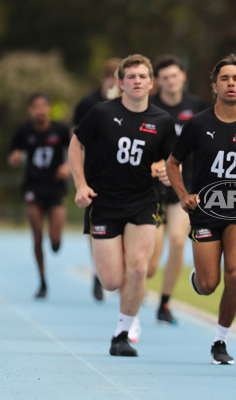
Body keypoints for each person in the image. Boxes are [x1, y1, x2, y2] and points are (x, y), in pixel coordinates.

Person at [69, 54, 176, 357]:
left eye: (142, 76)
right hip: (104, 203)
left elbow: (169, 160)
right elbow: (76, 144)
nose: (137, 81)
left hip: (143, 201)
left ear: (151, 83)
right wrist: (80, 185)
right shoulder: (101, 113)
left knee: (139, 268)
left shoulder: (162, 121)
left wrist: (165, 171)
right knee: (113, 280)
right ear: (120, 84)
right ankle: (126, 313)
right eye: (131, 77)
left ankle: (122, 333)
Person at [167, 53, 236, 365]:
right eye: (224, 78)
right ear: (214, 85)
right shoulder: (197, 124)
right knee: (210, 285)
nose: (230, 83)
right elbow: (173, 164)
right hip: (205, 211)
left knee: (235, 274)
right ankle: (199, 277)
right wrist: (184, 194)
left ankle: (220, 341)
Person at [148, 54, 205, 325]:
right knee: (149, 263)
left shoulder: (196, 106)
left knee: (179, 240)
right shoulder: (149, 107)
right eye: (164, 78)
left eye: (174, 75)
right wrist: (156, 166)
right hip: (153, 186)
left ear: (183, 76)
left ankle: (165, 303)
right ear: (157, 82)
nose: (170, 81)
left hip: (185, 184)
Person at [8, 93, 70, 299]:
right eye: (35, 107)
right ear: (30, 110)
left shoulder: (59, 130)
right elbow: (12, 156)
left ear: (49, 108)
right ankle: (43, 280)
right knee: (37, 235)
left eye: (43, 106)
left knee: (55, 239)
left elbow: (75, 151)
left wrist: (67, 165)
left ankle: (55, 240)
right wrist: (15, 158)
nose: (39, 110)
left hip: (55, 187)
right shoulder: (23, 131)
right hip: (33, 187)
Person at [72, 57, 121, 302]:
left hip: (124, 177)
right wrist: (79, 178)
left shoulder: (131, 104)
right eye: (112, 78)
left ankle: (121, 274)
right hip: (94, 175)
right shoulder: (90, 104)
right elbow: (75, 139)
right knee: (96, 230)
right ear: (105, 79)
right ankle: (97, 272)